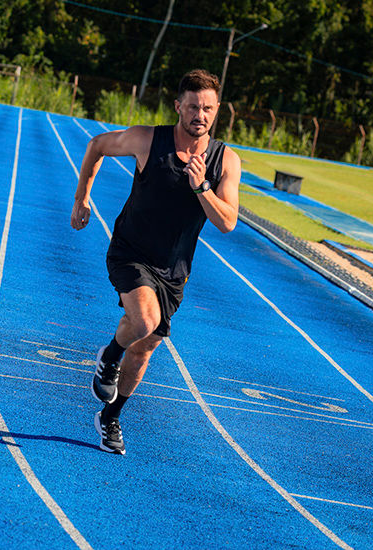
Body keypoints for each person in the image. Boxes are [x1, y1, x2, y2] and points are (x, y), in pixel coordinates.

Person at [70, 69, 241, 455]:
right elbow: (97, 145)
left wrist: (201, 187)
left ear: (217, 110)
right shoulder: (149, 139)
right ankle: (108, 356)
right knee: (144, 320)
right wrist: (82, 198)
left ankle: (110, 416)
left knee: (145, 347)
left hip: (174, 270)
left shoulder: (225, 160)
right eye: (193, 107)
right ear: (178, 106)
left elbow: (227, 222)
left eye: (208, 108)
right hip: (130, 251)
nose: (200, 115)